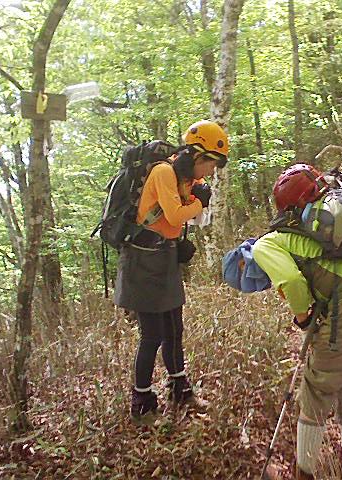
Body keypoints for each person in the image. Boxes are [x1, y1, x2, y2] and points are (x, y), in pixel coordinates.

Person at [254, 164, 342, 480]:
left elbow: (291, 281)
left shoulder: (267, 243)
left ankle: (304, 473)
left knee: (317, 390)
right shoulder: (329, 228)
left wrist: (303, 318)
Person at [115, 120, 229, 425]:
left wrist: (196, 202)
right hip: (142, 261)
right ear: (198, 155)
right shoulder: (164, 172)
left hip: (164, 258)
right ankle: (141, 404)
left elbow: (186, 218)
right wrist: (199, 203)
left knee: (174, 330)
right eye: (211, 164)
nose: (211, 172)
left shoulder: (186, 178)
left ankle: (180, 389)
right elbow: (177, 214)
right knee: (152, 336)